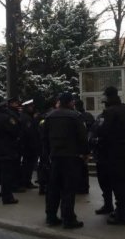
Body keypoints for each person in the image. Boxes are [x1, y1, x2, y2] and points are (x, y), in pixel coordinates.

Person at [42, 92, 89, 229]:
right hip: (71, 157)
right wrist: (85, 153)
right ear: (70, 102)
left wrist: (47, 155)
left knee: (53, 188)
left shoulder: (49, 116)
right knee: (68, 188)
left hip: (55, 157)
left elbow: (44, 138)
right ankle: (68, 218)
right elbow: (82, 137)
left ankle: (51, 216)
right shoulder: (75, 116)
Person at [100, 86, 125, 225]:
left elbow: (105, 132)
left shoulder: (110, 112)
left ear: (108, 97)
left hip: (116, 153)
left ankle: (120, 214)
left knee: (118, 183)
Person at [0, 97, 21, 204]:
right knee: (6, 175)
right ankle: (7, 197)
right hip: (6, 150)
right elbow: (15, 130)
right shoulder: (6, 118)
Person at [19, 99, 40, 190]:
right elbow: (29, 132)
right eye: (30, 106)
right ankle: (25, 181)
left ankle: (27, 181)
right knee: (27, 164)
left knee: (29, 164)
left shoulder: (28, 117)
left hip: (29, 145)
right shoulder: (26, 118)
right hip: (28, 145)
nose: (32, 108)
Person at [75, 99, 94, 195]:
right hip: (85, 145)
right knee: (83, 167)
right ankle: (84, 187)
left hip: (77, 146)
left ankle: (80, 187)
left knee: (78, 167)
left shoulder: (76, 116)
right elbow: (92, 130)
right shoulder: (88, 116)